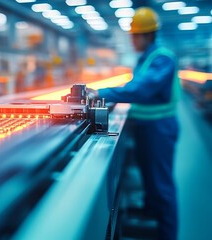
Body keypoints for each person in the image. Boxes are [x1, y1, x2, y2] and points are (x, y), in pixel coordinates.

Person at [88, 7, 180, 240]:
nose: (131, 40)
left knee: (161, 185)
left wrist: (102, 93)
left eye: (134, 35)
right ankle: (152, 219)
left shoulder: (162, 59)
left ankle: (168, 234)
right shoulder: (146, 58)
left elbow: (141, 89)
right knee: (151, 182)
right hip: (147, 127)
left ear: (147, 35)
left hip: (159, 128)